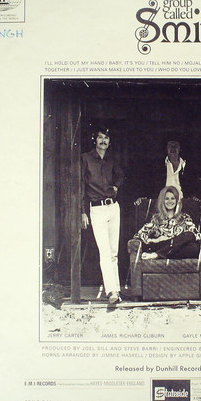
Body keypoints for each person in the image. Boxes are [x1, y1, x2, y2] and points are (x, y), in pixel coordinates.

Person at [81, 126, 124, 304]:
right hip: (96, 209)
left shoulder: (111, 160)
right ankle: (111, 291)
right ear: (95, 140)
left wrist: (116, 187)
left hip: (113, 207)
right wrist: (82, 212)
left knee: (113, 252)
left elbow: (121, 176)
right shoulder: (85, 158)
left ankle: (116, 289)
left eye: (106, 138)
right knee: (105, 251)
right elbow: (80, 186)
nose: (103, 141)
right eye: (100, 137)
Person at [134, 186, 201, 260]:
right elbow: (139, 235)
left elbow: (196, 235)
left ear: (177, 200)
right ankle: (163, 253)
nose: (170, 201)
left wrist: (176, 240)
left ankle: (158, 255)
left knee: (193, 246)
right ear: (162, 201)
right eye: (166, 199)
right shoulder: (157, 218)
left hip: (175, 249)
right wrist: (156, 240)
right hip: (162, 245)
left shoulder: (184, 218)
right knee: (189, 237)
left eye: (172, 198)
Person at [135, 135, 201, 203]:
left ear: (180, 148)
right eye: (170, 146)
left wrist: (194, 197)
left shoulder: (188, 167)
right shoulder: (157, 166)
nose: (173, 148)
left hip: (183, 204)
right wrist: (142, 196)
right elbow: (148, 185)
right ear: (166, 148)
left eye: (175, 146)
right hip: (162, 204)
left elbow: (194, 188)